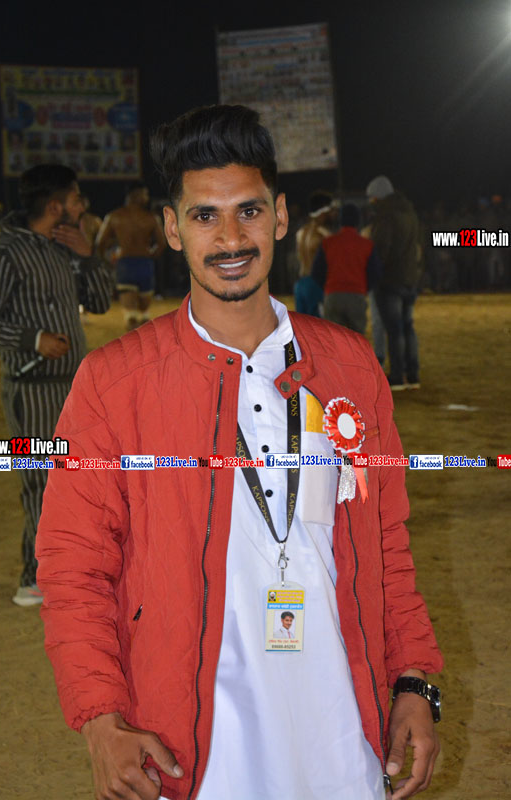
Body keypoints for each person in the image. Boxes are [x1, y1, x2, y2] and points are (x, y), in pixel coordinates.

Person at [37, 106, 443, 800]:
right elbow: (73, 564)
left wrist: (413, 680)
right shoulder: (113, 383)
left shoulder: (350, 366)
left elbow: (388, 542)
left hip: (340, 734)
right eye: (205, 216)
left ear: (280, 217)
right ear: (172, 229)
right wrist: (101, 719)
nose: (230, 238)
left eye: (249, 211)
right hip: (194, 750)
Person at [0, 164, 112, 606]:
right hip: (30, 388)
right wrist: (33, 339)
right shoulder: (4, 253)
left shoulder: (65, 248)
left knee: (77, 480)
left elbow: (99, 302)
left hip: (74, 388)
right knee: (41, 480)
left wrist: (88, 255)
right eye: (76, 199)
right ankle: (33, 578)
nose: (82, 206)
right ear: (55, 206)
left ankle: (67, 568)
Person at [366, 176, 423, 390]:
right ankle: (413, 374)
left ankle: (398, 376)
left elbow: (381, 249)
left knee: (394, 329)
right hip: (410, 278)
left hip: (390, 279)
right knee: (408, 326)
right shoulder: (410, 213)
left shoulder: (386, 216)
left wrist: (374, 273)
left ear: (379, 197)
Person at [96, 182, 167, 330]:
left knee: (131, 316)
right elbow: (161, 244)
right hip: (145, 264)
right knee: (144, 314)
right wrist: (150, 256)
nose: (147, 197)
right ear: (136, 195)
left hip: (125, 264)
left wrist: (106, 262)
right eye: (145, 194)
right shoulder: (151, 218)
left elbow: (100, 243)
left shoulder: (114, 216)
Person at [311, 203, 381, 333]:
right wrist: (364, 288)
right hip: (356, 295)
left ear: (340, 221)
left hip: (333, 295)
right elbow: (375, 273)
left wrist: (328, 287)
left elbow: (316, 272)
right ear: (358, 221)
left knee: (334, 339)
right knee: (356, 339)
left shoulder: (328, 243)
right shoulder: (367, 245)